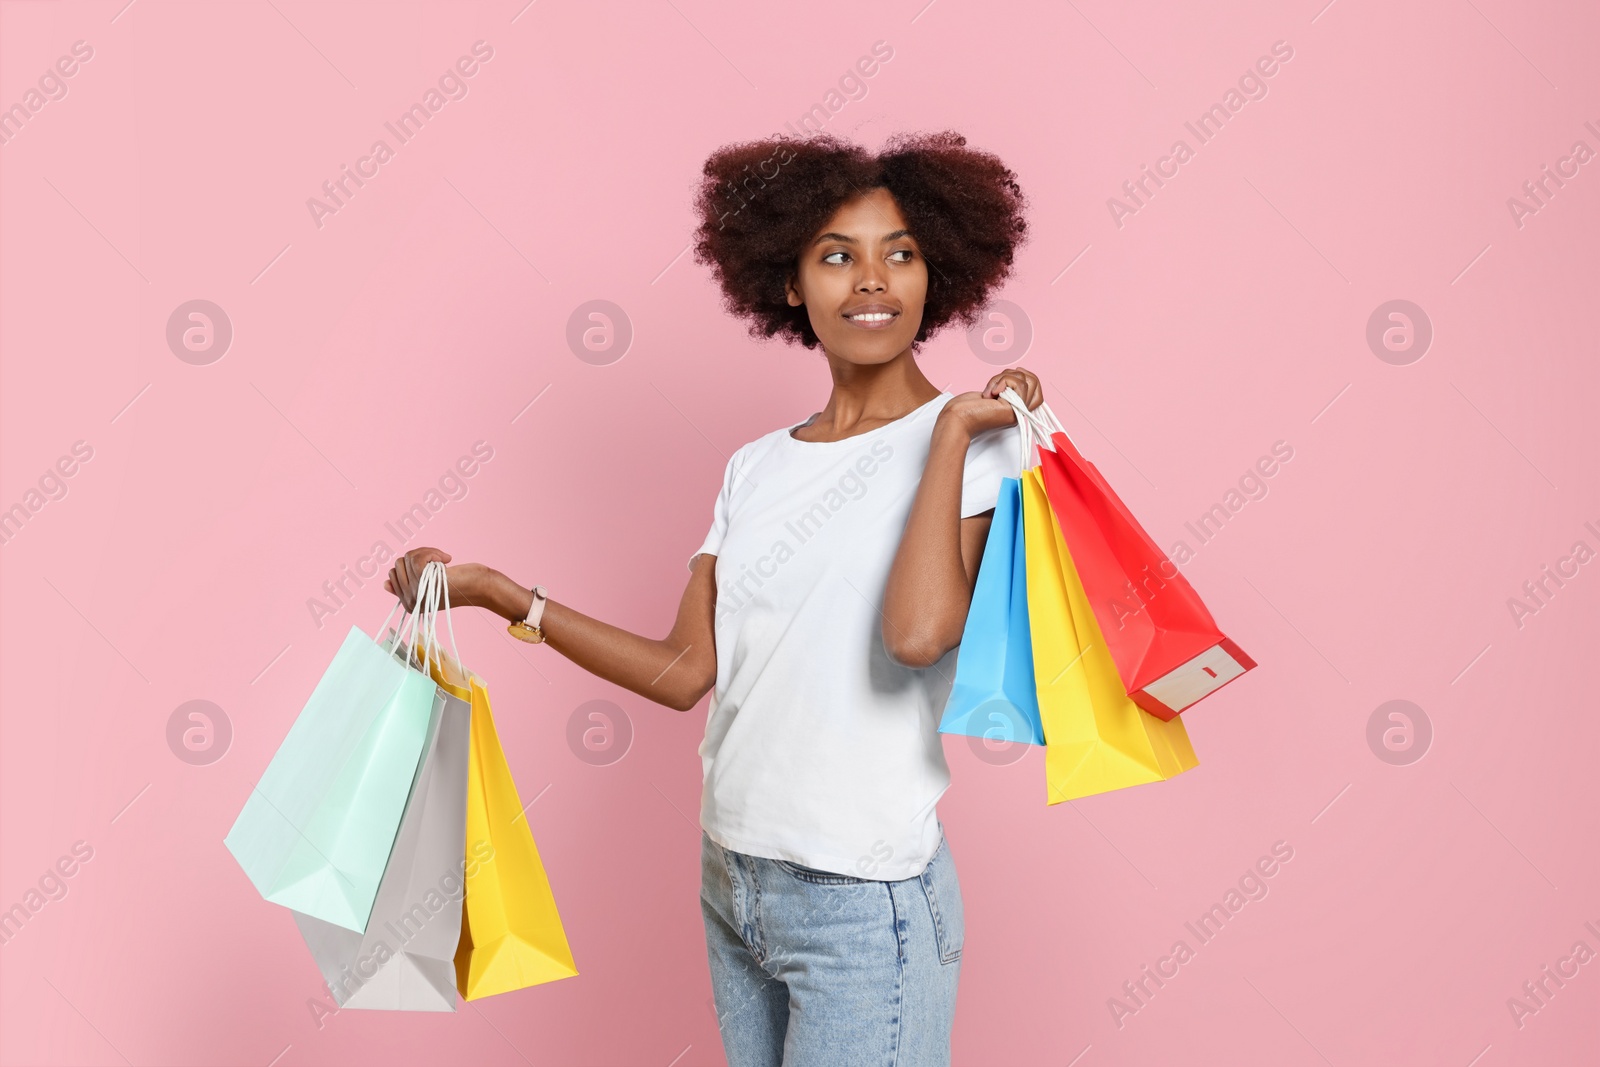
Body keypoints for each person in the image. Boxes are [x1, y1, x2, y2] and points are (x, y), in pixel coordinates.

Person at [386, 130, 1040, 1066]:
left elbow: (920, 634)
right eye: (836, 256)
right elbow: (685, 671)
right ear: (787, 283)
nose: (871, 280)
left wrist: (944, 438)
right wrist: (497, 594)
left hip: (864, 898)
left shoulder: (980, 441)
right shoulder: (756, 467)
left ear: (938, 276)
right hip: (734, 874)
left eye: (900, 254)